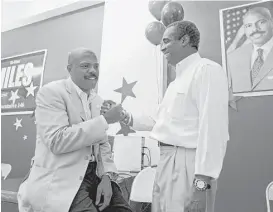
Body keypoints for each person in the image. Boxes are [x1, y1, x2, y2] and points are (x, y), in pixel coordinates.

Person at [103, 20, 229, 212]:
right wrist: (123, 115)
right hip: (166, 161)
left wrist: (202, 183)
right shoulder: (176, 82)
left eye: (166, 41)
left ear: (185, 40)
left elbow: (213, 130)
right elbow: (158, 121)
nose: (161, 47)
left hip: (189, 164)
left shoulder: (206, 70)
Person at [17, 47, 133, 212]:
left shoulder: (96, 99)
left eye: (96, 66)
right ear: (69, 69)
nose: (93, 71)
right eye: (85, 66)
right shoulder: (51, 93)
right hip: (64, 178)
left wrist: (107, 177)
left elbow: (102, 145)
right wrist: (105, 120)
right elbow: (57, 141)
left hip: (97, 175)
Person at [227, 7, 273, 93]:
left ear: (271, 22)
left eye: (261, 22)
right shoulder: (233, 57)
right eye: (249, 26)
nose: (255, 29)